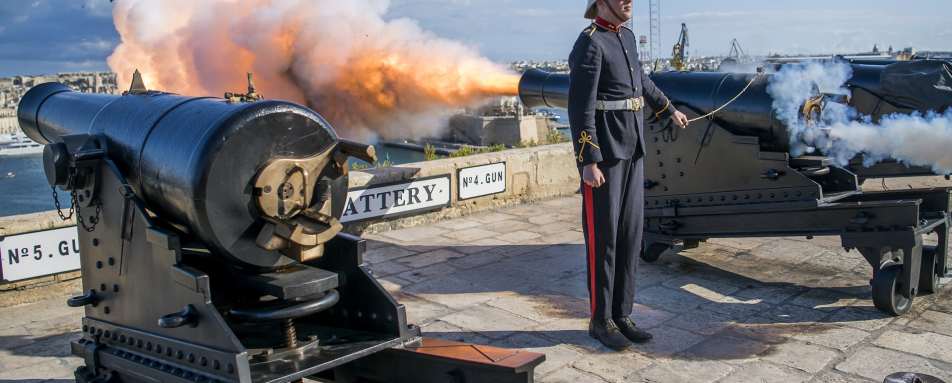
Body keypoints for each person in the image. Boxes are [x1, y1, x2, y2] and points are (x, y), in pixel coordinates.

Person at [569, 0, 689, 350]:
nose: (629, 1)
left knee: (630, 237)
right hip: (605, 157)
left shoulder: (628, 37)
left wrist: (668, 108)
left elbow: (641, 81)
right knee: (604, 240)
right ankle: (600, 320)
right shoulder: (590, 42)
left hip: (633, 149)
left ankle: (622, 314)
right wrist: (588, 160)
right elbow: (580, 106)